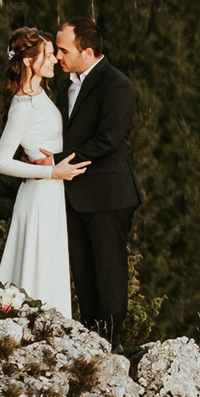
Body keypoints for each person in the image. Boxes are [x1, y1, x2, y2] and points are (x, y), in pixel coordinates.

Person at [54, 18, 142, 342]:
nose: (57, 56)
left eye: (63, 50)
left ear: (87, 52)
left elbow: (108, 140)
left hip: (109, 194)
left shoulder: (116, 84)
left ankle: (112, 342)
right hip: (74, 194)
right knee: (83, 273)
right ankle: (90, 340)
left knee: (109, 272)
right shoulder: (64, 86)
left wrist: (57, 161)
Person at [0, 27, 86, 314]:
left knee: (49, 267)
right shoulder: (23, 106)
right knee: (38, 270)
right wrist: (51, 172)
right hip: (39, 197)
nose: (55, 59)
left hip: (50, 195)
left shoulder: (41, 93)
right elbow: (0, 162)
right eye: (48, 54)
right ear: (28, 61)